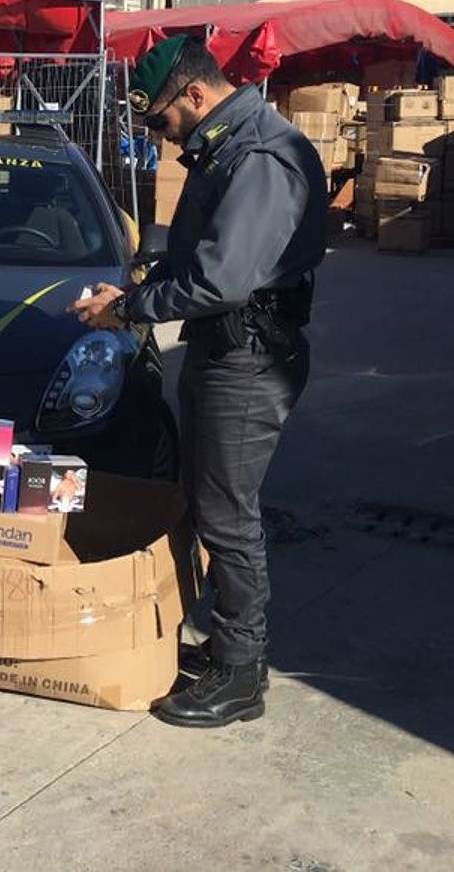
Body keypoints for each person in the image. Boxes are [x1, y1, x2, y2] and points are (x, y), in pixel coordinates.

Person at [71, 35, 326, 729]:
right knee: (207, 502)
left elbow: (221, 279)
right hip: (223, 348)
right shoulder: (226, 150)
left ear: (195, 94)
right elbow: (195, 258)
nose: (161, 135)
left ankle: (241, 673)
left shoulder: (260, 157)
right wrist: (134, 288)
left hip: (248, 356)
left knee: (227, 516)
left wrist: (128, 310)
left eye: (160, 120)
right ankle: (229, 648)